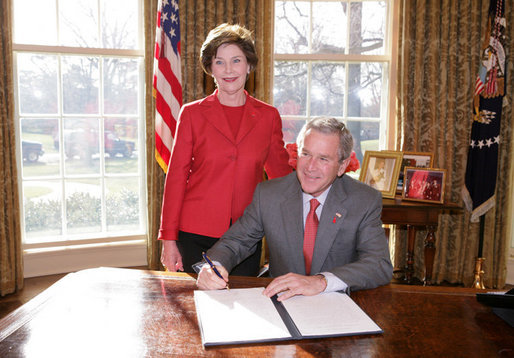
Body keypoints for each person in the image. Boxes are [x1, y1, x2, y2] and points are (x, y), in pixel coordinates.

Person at [197, 117, 393, 301]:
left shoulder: (364, 200)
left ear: (342, 166)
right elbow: (235, 241)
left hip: (336, 302)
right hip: (281, 301)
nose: (310, 167)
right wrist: (213, 265)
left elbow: (378, 265)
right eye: (306, 154)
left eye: (323, 159)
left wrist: (321, 281)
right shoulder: (269, 194)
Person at [158, 23, 292, 275]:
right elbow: (176, 178)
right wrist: (168, 239)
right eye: (220, 62)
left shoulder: (268, 116)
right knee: (196, 307)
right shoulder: (191, 114)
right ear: (210, 68)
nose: (229, 70)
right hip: (194, 231)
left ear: (249, 65)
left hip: (245, 235)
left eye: (236, 60)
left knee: (243, 307)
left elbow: (282, 179)